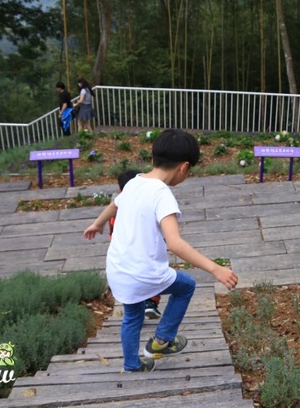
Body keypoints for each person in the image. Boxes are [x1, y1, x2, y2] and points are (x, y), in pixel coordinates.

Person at [82, 129, 238, 372]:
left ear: (154, 157)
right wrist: (215, 269)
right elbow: (174, 243)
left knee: (132, 316)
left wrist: (98, 223)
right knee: (186, 286)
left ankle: (132, 364)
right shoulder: (162, 195)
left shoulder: (133, 183)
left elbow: (114, 204)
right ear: (184, 168)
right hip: (144, 273)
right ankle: (162, 340)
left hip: (118, 270)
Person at [108, 169, 162, 320]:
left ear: (120, 190)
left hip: (122, 255)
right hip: (144, 251)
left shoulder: (116, 210)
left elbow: (112, 233)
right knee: (152, 275)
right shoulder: (145, 205)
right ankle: (149, 303)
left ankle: (135, 310)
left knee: (131, 285)